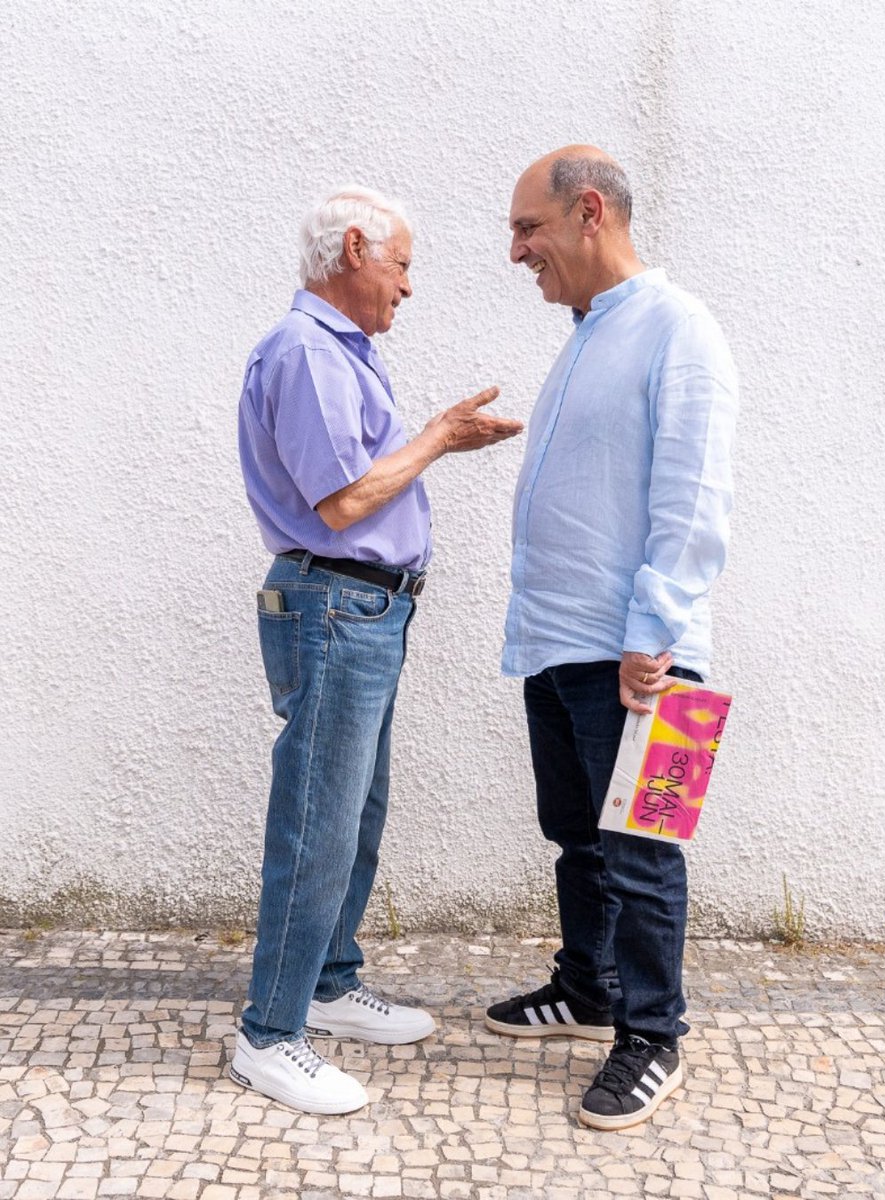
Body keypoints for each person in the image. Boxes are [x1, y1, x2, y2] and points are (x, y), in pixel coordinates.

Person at [235, 185, 522, 1114]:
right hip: (335, 609)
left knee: (356, 809)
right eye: (401, 265)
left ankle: (328, 979)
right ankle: (269, 1035)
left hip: (365, 612)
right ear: (354, 250)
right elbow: (345, 502)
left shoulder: (337, 353)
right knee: (318, 818)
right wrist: (440, 434)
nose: (408, 287)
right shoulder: (309, 354)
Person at [485, 147, 737, 1131]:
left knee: (641, 850)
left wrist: (655, 632)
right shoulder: (592, 332)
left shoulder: (680, 329)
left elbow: (695, 493)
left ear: (589, 212)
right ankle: (588, 988)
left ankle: (652, 1032)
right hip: (559, 645)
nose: (516, 253)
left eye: (527, 229)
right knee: (579, 839)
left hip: (645, 656)